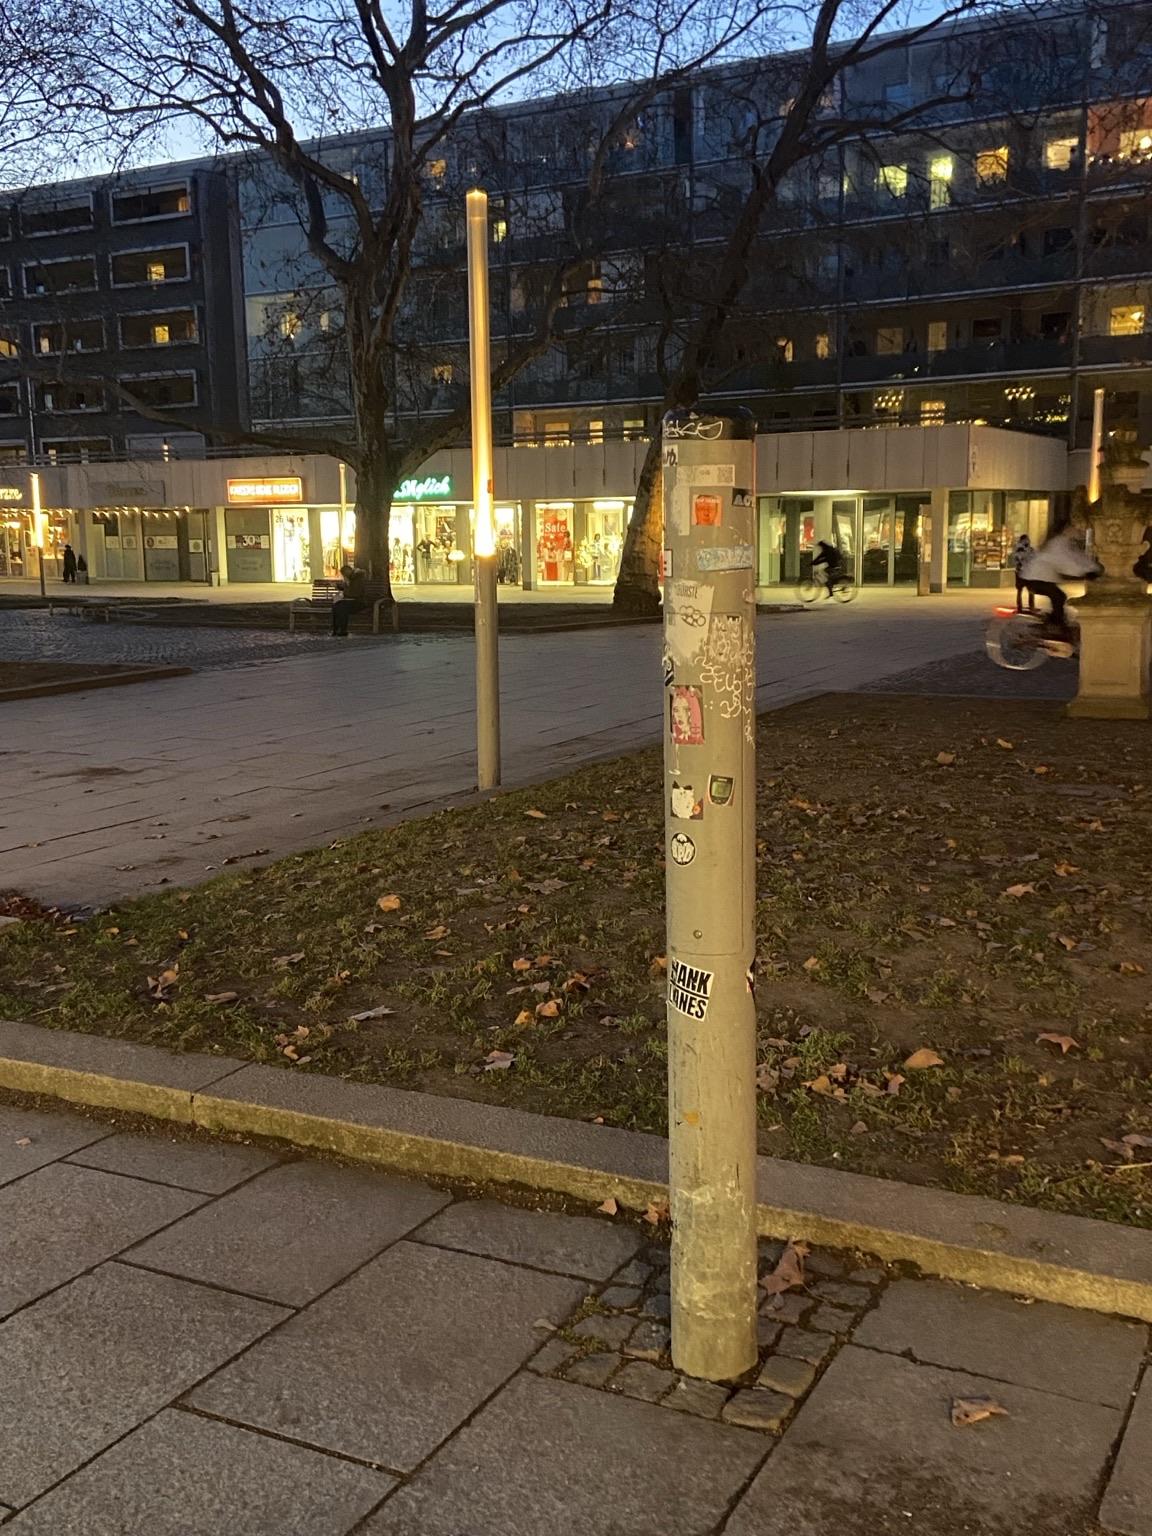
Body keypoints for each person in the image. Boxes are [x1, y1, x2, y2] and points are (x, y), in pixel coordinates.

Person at [1021, 528, 1100, 638]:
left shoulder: (1059, 541)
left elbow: (1075, 558)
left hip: (1037, 577)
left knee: (1059, 597)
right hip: (1037, 578)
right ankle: (1056, 625)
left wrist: (1090, 569)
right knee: (1059, 596)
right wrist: (1087, 572)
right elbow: (1066, 561)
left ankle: (1054, 621)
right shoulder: (1059, 542)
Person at [330, 563, 367, 636]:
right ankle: (336, 629)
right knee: (336, 606)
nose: (344, 577)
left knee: (341, 607)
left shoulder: (358, 579)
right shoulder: (351, 578)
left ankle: (342, 630)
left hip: (359, 602)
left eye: (344, 575)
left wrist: (344, 592)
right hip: (351, 601)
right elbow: (348, 589)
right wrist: (339, 586)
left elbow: (354, 593)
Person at [1012, 534, 1034, 613]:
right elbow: (1020, 560)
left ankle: (1022, 607)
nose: (1028, 541)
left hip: (1023, 572)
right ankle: (1029, 607)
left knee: (1023, 591)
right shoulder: (1023, 549)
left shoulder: (1019, 549)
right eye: (1027, 539)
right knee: (1028, 590)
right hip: (1024, 572)